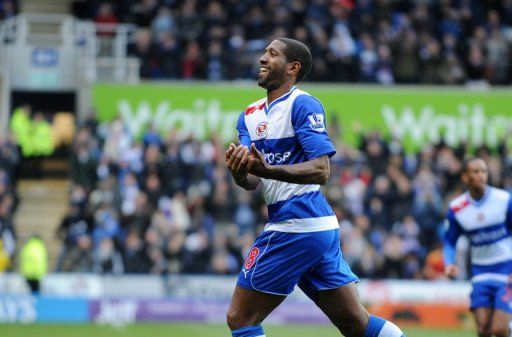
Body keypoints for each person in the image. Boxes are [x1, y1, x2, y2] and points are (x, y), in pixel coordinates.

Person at [225, 38, 405, 337]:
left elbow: (321, 170)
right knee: (355, 324)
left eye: (273, 54)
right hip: (314, 225)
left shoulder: (302, 104)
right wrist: (239, 171)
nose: (263, 58)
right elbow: (253, 180)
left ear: (292, 67)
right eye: (264, 52)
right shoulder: (249, 115)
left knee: (240, 318)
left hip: (297, 222)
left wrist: (267, 169)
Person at [444, 158, 512, 337]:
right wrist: (449, 262)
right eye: (475, 172)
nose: (481, 175)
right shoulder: (457, 208)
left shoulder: (504, 200)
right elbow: (450, 240)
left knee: (499, 329)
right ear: (465, 177)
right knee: (483, 330)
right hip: (480, 273)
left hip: (506, 271)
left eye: (484, 171)